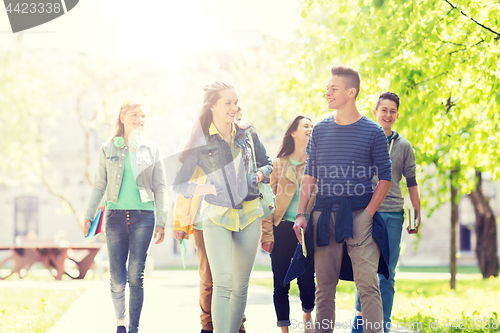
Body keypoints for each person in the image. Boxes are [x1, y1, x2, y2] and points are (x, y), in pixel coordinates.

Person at [292, 65, 392, 333]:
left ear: (351, 92)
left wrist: (368, 215)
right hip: (324, 217)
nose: (327, 92)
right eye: (327, 88)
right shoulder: (321, 129)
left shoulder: (373, 132)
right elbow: (310, 175)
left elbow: (385, 178)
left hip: (360, 214)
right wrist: (301, 214)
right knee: (324, 287)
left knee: (368, 286)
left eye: (333, 88)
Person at [172, 81, 272, 333]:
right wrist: (208, 189)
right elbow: (180, 184)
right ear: (212, 107)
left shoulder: (247, 133)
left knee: (240, 285)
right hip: (215, 215)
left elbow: (267, 164)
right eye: (228, 103)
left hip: (249, 212)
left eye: (235, 102)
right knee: (223, 281)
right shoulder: (202, 141)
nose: (233, 108)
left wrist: (259, 175)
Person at [83, 97, 168, 333]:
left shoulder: (152, 149)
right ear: (122, 117)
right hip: (115, 218)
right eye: (135, 115)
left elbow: (161, 187)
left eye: (143, 116)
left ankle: (133, 329)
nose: (140, 120)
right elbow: (99, 186)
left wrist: (161, 220)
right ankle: (120, 322)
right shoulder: (108, 148)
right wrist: (89, 215)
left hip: (145, 216)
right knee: (117, 278)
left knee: (135, 276)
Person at [351, 92, 421, 333]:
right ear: (375, 112)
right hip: (364, 213)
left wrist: (416, 214)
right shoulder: (363, 140)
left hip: (392, 214)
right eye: (384, 110)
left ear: (397, 115)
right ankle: (359, 328)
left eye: (392, 111)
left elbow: (412, 183)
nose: (388, 115)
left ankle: (384, 327)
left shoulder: (404, 146)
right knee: (364, 273)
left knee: (387, 275)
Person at [172, 166, 247, 333]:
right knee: (208, 280)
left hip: (231, 221)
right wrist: (179, 224)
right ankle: (207, 327)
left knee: (235, 281)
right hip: (202, 225)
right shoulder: (196, 154)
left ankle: (238, 326)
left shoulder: (232, 148)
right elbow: (184, 191)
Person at [261, 116, 316, 333]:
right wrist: (267, 234)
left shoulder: (315, 164)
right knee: (281, 283)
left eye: (312, 126)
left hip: (306, 230)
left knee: (307, 282)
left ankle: (307, 313)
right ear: (293, 132)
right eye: (306, 126)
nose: (310, 129)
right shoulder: (278, 164)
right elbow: (267, 202)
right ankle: (284, 329)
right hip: (281, 229)